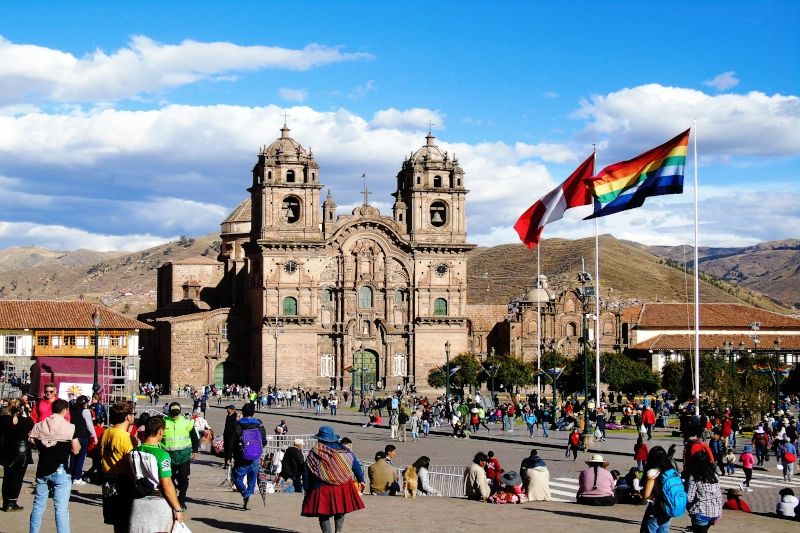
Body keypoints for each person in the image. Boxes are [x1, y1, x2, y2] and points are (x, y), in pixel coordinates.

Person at [28, 398, 80, 533]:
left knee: (38, 506)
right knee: (61, 509)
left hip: (43, 469)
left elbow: (33, 442)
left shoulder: (39, 425)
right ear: (65, 410)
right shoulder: (70, 427)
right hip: (61, 471)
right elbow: (76, 450)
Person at [301, 426, 365, 533]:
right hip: (343, 484)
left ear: (319, 439)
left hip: (321, 486)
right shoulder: (345, 451)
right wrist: (361, 480)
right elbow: (356, 465)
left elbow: (306, 471)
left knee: (323, 513)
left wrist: (306, 487)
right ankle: (338, 531)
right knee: (341, 509)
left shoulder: (315, 452)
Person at [127, 417, 184, 533]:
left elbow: (131, 475)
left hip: (138, 502)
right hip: (158, 504)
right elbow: (167, 485)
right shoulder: (162, 455)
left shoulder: (133, 453)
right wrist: (178, 509)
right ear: (161, 431)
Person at [99, 400, 138, 533]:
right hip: (124, 480)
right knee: (126, 520)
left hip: (108, 478)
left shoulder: (106, 432)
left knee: (117, 522)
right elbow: (131, 462)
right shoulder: (127, 437)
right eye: (133, 413)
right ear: (128, 416)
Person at [161, 402, 199, 511]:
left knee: (183, 479)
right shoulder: (164, 423)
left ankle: (182, 500)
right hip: (168, 456)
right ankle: (172, 500)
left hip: (184, 456)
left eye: (177, 413)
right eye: (173, 414)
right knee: (169, 479)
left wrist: (195, 450)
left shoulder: (187, 422)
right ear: (169, 412)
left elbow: (194, 437)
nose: (175, 416)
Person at [1, 398, 34, 512]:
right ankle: (12, 502)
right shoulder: (26, 421)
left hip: (8, 449)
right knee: (18, 478)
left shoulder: (3, 419)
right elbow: (32, 426)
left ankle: (5, 502)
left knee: (7, 477)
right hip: (22, 450)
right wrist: (24, 414)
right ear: (21, 408)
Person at [233, 403, 267, 510]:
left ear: (242, 413)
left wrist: (229, 456)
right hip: (255, 456)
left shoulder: (237, 425)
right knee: (252, 481)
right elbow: (264, 441)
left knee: (237, 478)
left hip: (242, 457)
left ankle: (247, 495)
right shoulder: (260, 425)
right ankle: (249, 497)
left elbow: (231, 442)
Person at [640, 446, 675, 533]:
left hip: (657, 506)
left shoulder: (653, 472)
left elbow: (646, 495)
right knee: (663, 530)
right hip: (670, 506)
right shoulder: (671, 470)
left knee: (648, 530)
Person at [685, 450, 723, 533]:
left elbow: (689, 498)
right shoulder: (715, 474)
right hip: (716, 512)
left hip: (701, 512)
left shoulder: (695, 476)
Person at [67, 396, 97, 485]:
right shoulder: (85, 411)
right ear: (85, 403)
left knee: (73, 457)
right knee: (81, 457)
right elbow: (89, 424)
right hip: (83, 436)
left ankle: (71, 475)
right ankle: (77, 477)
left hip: (73, 435)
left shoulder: (72, 410)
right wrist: (94, 436)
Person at [222, 404, 237, 468]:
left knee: (230, 448)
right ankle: (226, 461)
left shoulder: (235, 416)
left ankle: (229, 460)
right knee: (226, 448)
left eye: (228, 409)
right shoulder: (228, 416)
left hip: (231, 435)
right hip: (226, 434)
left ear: (231, 410)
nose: (227, 410)